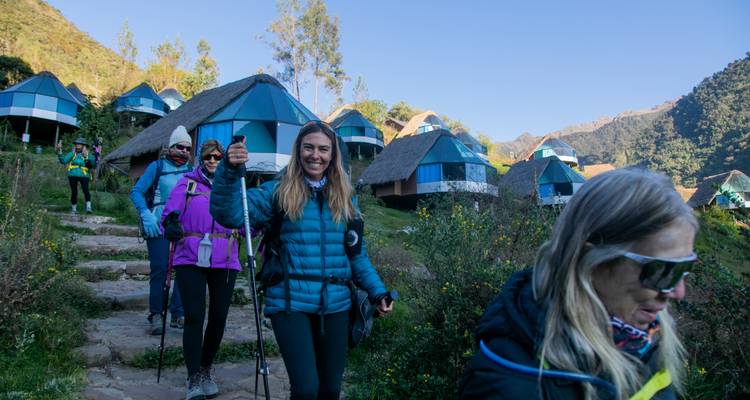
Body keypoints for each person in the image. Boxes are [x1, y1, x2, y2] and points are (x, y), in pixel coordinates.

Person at [460, 168, 698, 400]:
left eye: (685, 268)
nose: (679, 292)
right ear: (590, 261)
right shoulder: (508, 386)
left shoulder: (643, 338)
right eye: (664, 270)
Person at [211, 120, 394, 400]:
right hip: (290, 302)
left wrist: (377, 291)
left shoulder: (347, 200)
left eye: (323, 149)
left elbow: (357, 255)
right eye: (308, 148)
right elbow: (230, 214)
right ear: (298, 151)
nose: (315, 155)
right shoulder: (278, 191)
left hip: (336, 303)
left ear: (333, 155)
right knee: (306, 390)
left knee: (330, 390)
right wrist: (228, 171)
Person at [161, 140, 241, 400]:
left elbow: (246, 219)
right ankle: (193, 376)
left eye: (218, 156)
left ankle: (206, 368)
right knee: (195, 316)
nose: (213, 160)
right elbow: (168, 213)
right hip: (190, 256)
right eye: (208, 156)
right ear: (201, 159)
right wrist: (170, 224)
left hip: (225, 258)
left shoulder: (233, 186)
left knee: (219, 317)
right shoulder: (187, 183)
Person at [130, 125, 192, 335]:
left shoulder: (192, 172)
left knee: (184, 270)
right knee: (160, 269)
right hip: (158, 225)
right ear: (171, 147)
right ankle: (156, 314)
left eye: (187, 148)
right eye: (180, 147)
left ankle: (178, 313)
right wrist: (145, 214)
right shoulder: (156, 167)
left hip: (184, 227)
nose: (184, 151)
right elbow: (137, 192)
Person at [57, 137, 97, 214]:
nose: (77, 145)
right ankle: (74, 209)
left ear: (84, 145)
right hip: (73, 174)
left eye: (79, 144)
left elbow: (93, 165)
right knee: (74, 191)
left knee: (85, 190)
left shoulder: (89, 155)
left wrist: (86, 158)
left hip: (84, 175)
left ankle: (88, 207)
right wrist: (59, 152)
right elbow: (64, 161)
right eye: (76, 144)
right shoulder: (72, 154)